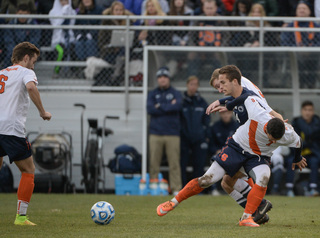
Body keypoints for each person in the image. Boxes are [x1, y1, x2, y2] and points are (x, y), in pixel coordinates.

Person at [156, 65, 307, 227]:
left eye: (222, 84)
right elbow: (247, 97)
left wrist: (297, 158)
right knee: (209, 180)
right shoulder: (254, 108)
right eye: (218, 85)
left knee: (258, 177)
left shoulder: (285, 132)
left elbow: (298, 141)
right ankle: (173, 201)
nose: (220, 88)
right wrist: (226, 103)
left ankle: (247, 217)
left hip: (259, 155)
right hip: (239, 146)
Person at [0, 42, 52, 225]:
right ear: (26, 58)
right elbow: (31, 87)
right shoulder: (26, 72)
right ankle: (21, 217)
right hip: (11, 129)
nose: (34, 65)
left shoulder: (2, 73)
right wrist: (42, 112)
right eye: (34, 61)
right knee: (28, 170)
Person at [147, 66, 183, 195]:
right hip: (155, 133)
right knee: (153, 162)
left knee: (174, 162)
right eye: (160, 77)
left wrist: (160, 106)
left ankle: (176, 188)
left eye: (164, 77)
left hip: (172, 133)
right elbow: (150, 109)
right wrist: (169, 106)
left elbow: (178, 106)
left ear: (168, 78)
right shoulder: (152, 93)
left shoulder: (176, 93)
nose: (162, 79)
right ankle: (153, 185)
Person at [280, 1, 320, 88]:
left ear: (309, 11)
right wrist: (297, 49)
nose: (302, 10)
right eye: (299, 8)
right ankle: (299, 84)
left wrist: (310, 49)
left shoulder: (316, 27)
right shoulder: (290, 26)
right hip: (295, 55)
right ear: (296, 11)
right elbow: (285, 42)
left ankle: (311, 84)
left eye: (304, 8)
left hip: (313, 55)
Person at [285, 101, 320, 197]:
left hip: (312, 155)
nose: (307, 112)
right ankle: (289, 189)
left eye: (310, 110)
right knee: (290, 161)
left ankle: (313, 189)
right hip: (297, 154)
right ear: (301, 111)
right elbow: (292, 141)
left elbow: (313, 139)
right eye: (305, 110)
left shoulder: (317, 123)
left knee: (315, 161)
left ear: (313, 112)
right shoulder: (296, 122)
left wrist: (304, 144)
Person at [180, 76, 210, 186]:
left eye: (195, 84)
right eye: (191, 84)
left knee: (199, 165)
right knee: (182, 164)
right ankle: (183, 188)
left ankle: (197, 189)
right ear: (187, 85)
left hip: (198, 138)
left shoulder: (202, 102)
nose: (193, 87)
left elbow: (206, 120)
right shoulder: (181, 102)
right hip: (184, 138)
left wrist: (205, 135)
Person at [98, 1, 134, 85]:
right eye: (116, 10)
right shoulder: (106, 23)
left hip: (125, 51)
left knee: (124, 49)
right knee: (121, 54)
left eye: (121, 10)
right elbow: (101, 42)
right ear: (112, 11)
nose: (118, 12)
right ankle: (118, 75)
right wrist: (113, 48)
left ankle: (116, 74)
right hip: (110, 52)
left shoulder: (128, 22)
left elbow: (133, 40)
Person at [49, 0, 77, 74]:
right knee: (61, 51)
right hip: (57, 40)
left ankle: (74, 72)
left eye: (66, 0)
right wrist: (63, 13)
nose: (64, 2)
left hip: (70, 38)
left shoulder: (72, 12)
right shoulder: (52, 12)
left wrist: (68, 11)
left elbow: (72, 24)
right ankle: (56, 71)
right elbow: (56, 25)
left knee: (73, 49)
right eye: (62, 0)